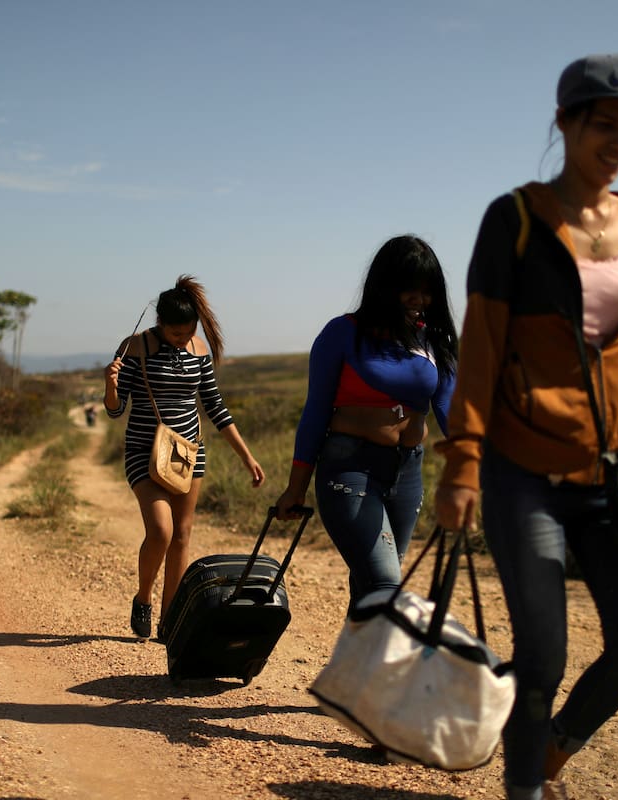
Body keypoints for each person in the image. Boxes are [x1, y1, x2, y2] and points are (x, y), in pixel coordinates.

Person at [434, 54, 618, 800]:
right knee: (543, 658)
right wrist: (463, 461)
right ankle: (524, 791)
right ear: (564, 122)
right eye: (605, 125)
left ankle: (552, 749)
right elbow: (484, 346)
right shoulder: (518, 220)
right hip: (523, 469)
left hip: (616, 475)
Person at [274, 235, 457, 612]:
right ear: (385, 287)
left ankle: (355, 670)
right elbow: (315, 412)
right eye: (409, 290)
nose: (418, 300)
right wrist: (296, 488)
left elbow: (449, 409)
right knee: (386, 588)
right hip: (350, 469)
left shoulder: (434, 339)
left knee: (371, 589)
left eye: (427, 292)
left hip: (408, 473)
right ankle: (380, 669)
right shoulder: (342, 334)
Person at [104, 275, 265, 639]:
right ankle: (144, 598)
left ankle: (169, 620)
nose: (182, 339)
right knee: (160, 531)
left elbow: (215, 407)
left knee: (182, 534)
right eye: (175, 333)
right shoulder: (136, 346)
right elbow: (116, 411)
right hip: (143, 453)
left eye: (187, 331)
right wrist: (110, 386)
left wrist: (246, 457)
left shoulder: (199, 349)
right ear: (160, 323)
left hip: (187, 455)